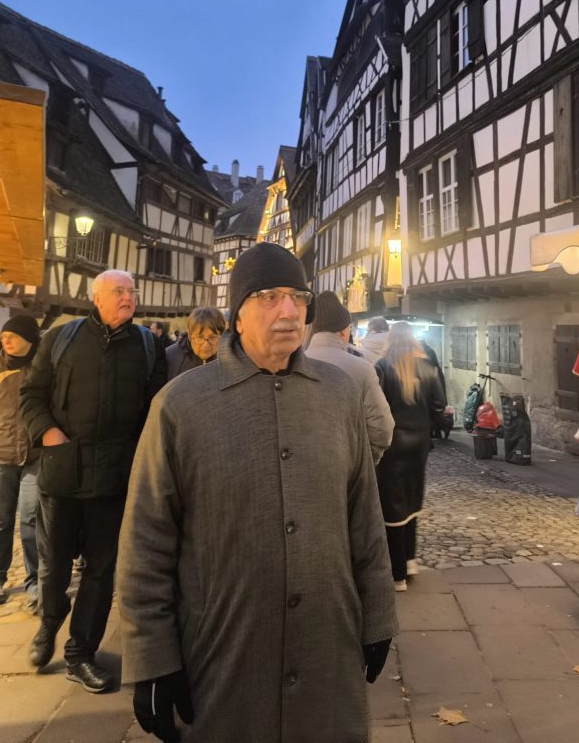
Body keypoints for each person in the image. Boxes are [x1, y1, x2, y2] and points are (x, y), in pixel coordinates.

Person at [117, 242, 398, 743]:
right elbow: (145, 541)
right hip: (224, 654)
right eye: (269, 297)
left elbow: (364, 516)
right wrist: (152, 657)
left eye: (298, 297)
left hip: (326, 648)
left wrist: (378, 614)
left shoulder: (338, 395)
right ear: (237, 316)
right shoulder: (181, 406)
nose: (289, 311)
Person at [20, 270, 167, 694]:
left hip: (115, 479)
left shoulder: (147, 345)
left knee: (101, 571)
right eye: (119, 291)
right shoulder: (61, 339)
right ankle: (49, 621)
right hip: (63, 473)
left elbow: (155, 408)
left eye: (131, 291)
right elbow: (31, 395)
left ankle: (80, 653)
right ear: (96, 298)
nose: (128, 298)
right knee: (53, 565)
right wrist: (48, 432)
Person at [375, 322, 445, 591]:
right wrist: (427, 427)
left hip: (392, 445)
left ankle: (398, 574)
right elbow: (439, 405)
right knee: (412, 499)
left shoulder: (383, 366)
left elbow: (377, 408)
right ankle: (410, 559)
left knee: (392, 505)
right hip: (419, 445)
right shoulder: (427, 366)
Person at [305, 291, 394, 464]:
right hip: (349, 463)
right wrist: (368, 460)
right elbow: (382, 427)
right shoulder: (362, 368)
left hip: (307, 465)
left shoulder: (295, 364)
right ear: (344, 331)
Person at [0, 315, 42, 610]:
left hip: (35, 455)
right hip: (0, 453)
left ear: (29, 339)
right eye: (3, 336)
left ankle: (34, 581)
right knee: (0, 519)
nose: (5, 340)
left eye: (12, 336)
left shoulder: (42, 365)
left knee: (31, 518)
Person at [165, 306, 225, 379]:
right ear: (190, 336)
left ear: (221, 336)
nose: (206, 345)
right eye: (200, 337)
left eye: (212, 337)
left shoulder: (230, 359)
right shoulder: (169, 357)